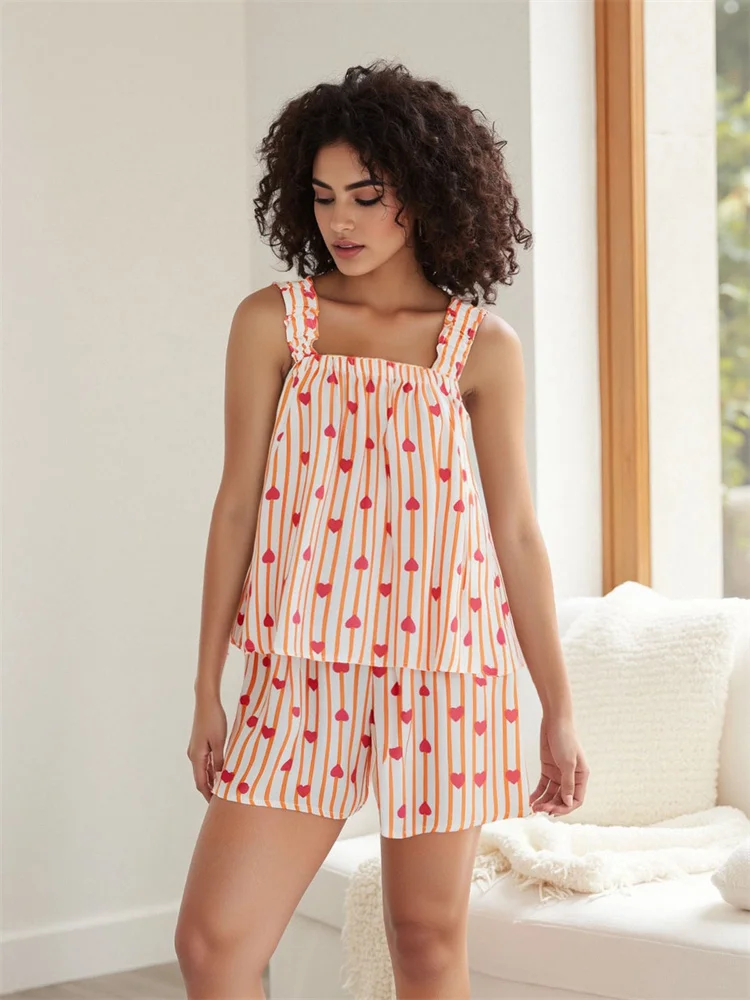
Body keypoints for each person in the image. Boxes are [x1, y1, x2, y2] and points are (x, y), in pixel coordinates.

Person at [175, 59, 589, 1000]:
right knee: (213, 944)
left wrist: (558, 706)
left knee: (426, 940)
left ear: (427, 193)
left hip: (445, 668)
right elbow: (236, 503)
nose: (342, 222)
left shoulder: (480, 346)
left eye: (366, 196)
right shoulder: (275, 324)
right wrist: (207, 685)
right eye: (323, 198)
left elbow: (516, 533)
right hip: (301, 666)